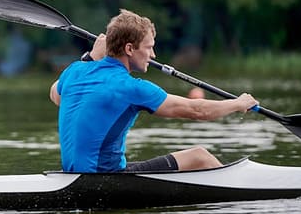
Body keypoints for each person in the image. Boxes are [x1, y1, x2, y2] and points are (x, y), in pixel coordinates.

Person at [49, 9, 258, 173]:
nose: (154, 55)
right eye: (149, 47)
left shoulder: (76, 70)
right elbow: (197, 110)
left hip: (74, 175)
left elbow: (56, 96)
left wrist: (91, 57)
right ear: (130, 49)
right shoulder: (132, 88)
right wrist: (238, 103)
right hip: (104, 182)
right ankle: (236, 197)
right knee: (199, 157)